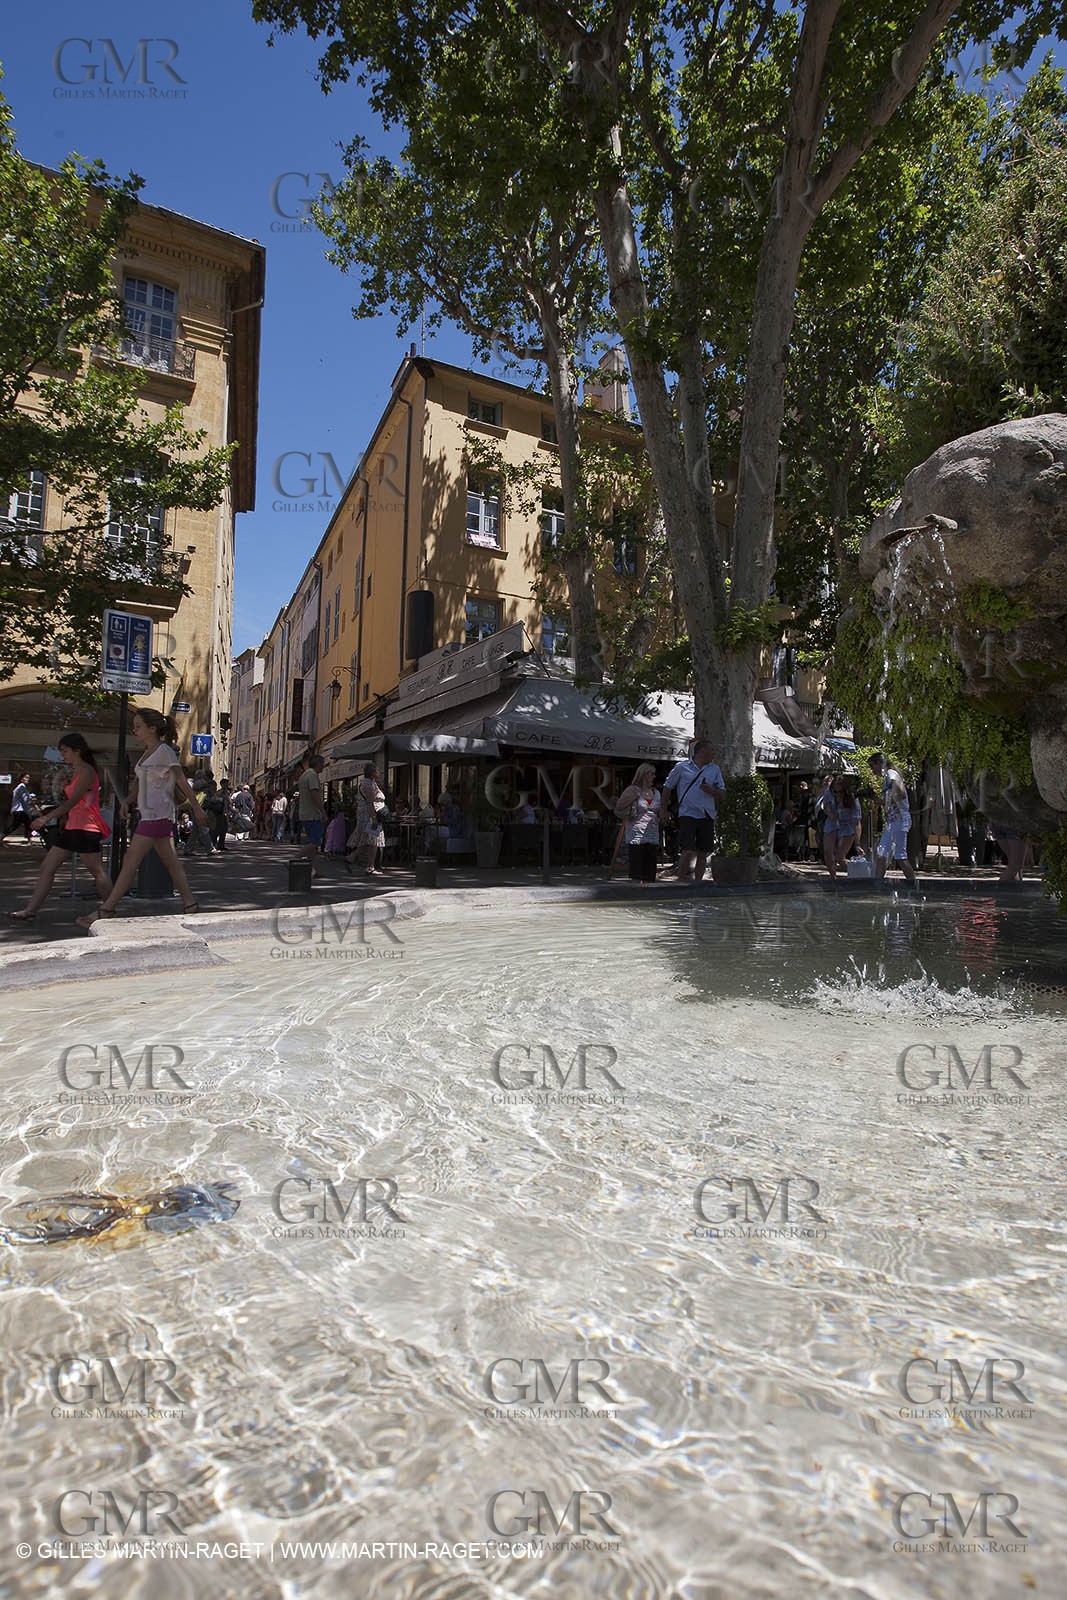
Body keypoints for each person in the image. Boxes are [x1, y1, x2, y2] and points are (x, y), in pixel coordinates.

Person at [76, 711, 207, 927]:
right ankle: (190, 903)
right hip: (151, 814)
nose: (134, 730)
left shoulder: (164, 752)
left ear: (152, 728)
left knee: (131, 860)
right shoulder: (148, 752)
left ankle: (107, 908)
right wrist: (127, 801)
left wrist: (197, 808)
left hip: (156, 814)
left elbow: (182, 781)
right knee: (171, 862)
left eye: (138, 726)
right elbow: (141, 783)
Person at [8, 735, 113, 921]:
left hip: (86, 828)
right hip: (73, 827)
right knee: (47, 867)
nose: (62, 755)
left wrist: (46, 818)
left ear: (77, 751)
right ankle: (30, 910)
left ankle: (109, 910)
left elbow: (72, 802)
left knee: (97, 871)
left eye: (65, 751)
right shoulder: (75, 770)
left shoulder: (86, 771)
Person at [663, 739, 725, 882]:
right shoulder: (682, 767)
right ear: (702, 751)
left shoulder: (715, 769)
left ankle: (698, 883)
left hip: (707, 814)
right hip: (687, 813)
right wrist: (663, 809)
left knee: (703, 852)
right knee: (687, 850)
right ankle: (680, 882)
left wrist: (712, 790)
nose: (714, 753)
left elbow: (723, 793)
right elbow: (668, 787)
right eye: (711, 750)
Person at [869, 753, 917, 885]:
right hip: (891, 822)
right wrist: (879, 801)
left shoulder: (891, 774)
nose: (872, 770)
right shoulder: (887, 777)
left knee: (900, 856)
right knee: (881, 854)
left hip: (900, 820)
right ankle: (877, 886)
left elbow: (900, 794)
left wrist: (886, 801)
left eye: (872, 766)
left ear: (879, 763)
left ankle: (913, 884)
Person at [614, 762, 661, 883]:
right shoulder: (633, 790)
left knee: (650, 871)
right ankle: (635, 892)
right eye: (652, 774)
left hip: (652, 832)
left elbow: (658, 811)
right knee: (637, 870)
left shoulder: (656, 793)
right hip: (636, 833)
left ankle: (648, 892)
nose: (654, 776)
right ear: (644, 774)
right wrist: (633, 799)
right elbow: (618, 807)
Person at [348, 761, 386, 877]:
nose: (379, 772)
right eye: (377, 770)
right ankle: (369, 866)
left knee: (368, 840)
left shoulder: (370, 783)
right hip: (370, 816)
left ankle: (353, 858)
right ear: (372, 772)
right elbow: (370, 802)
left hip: (367, 815)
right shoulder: (368, 784)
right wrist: (374, 818)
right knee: (373, 840)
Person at [295, 754, 327, 874]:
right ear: (318, 764)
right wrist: (323, 811)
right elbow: (315, 794)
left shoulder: (304, 775)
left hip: (304, 813)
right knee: (316, 841)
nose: (323, 766)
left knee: (312, 844)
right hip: (313, 814)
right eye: (322, 764)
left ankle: (311, 870)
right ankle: (295, 858)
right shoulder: (313, 775)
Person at [832, 777, 863, 873]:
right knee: (837, 858)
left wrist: (857, 844)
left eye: (840, 792)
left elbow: (857, 822)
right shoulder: (835, 800)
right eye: (835, 792)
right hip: (839, 829)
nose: (838, 794)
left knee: (840, 857)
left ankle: (860, 872)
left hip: (849, 830)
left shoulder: (852, 799)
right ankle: (854, 872)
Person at [3, 773, 36, 842]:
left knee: (28, 825)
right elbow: (25, 799)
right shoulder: (21, 787)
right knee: (16, 826)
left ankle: (29, 840)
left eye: (28, 778)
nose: (28, 779)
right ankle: (1, 836)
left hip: (20, 810)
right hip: (20, 810)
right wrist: (32, 800)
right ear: (21, 779)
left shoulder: (20, 787)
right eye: (26, 777)